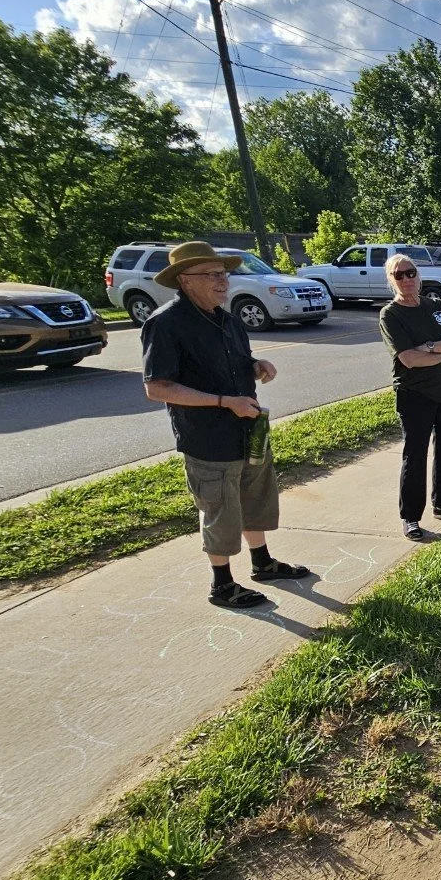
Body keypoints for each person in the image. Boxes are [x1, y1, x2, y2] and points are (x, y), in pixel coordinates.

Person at [141, 241, 310, 609]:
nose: (223, 281)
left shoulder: (228, 319)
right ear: (185, 280)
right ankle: (222, 584)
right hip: (208, 438)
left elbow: (234, 362)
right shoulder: (166, 324)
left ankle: (263, 563)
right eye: (213, 274)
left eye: (224, 273)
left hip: (248, 431)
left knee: (254, 498)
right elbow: (157, 387)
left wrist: (256, 366)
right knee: (220, 509)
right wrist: (223, 402)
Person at [378, 253, 441, 542]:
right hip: (415, 394)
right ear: (391, 280)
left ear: (418, 275)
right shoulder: (391, 314)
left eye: (410, 273)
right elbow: (408, 359)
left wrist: (430, 347)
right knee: (415, 457)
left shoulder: (437, 305)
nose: (406, 279)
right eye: (399, 275)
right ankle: (410, 517)